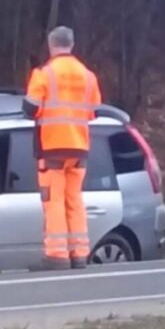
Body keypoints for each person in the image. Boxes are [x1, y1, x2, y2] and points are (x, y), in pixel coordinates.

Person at [22, 26, 102, 271]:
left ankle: (56, 254)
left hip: (52, 147)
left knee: (53, 200)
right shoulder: (88, 75)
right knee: (74, 200)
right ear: (72, 44)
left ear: (51, 45)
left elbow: (30, 109)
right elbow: (94, 111)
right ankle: (79, 253)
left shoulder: (43, 74)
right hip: (79, 146)